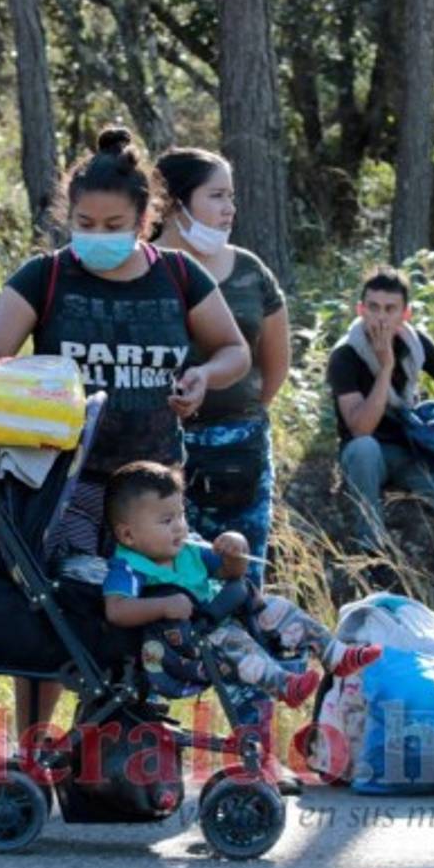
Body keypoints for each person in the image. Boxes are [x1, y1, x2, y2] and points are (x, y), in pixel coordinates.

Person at [0, 126, 250, 737]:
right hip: (64, 488)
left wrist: (202, 376)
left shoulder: (178, 275)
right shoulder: (44, 277)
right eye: (85, 223)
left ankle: (115, 739)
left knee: (146, 609)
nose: (98, 237)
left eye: (113, 222)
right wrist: (31, 387)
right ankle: (34, 746)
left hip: (150, 489)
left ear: (147, 217)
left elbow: (234, 349)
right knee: (56, 615)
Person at [101, 461, 381, 708]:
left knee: (279, 607)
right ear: (128, 534)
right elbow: (116, 609)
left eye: (180, 515)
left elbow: (229, 572)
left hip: (221, 617)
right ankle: (284, 685)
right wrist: (163, 606)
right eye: (166, 520)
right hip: (186, 647)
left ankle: (335, 654)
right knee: (235, 641)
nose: (179, 527)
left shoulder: (188, 549)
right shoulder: (127, 567)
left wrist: (236, 548)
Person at [153, 148, 290, 592]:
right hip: (158, 449)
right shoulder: (141, 269)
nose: (229, 208)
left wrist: (234, 413)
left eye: (231, 197)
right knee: (171, 579)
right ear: (175, 203)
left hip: (241, 451)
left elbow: (274, 365)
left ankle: (247, 661)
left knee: (242, 579)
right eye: (216, 196)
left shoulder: (251, 272)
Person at [327, 267, 434, 620]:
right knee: (364, 448)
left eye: (390, 308)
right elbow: (361, 426)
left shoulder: (415, 343)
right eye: (374, 307)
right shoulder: (345, 355)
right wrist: (384, 368)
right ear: (360, 309)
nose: (381, 317)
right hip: (366, 456)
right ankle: (373, 558)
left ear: (405, 313)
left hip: (411, 453)